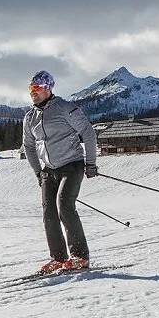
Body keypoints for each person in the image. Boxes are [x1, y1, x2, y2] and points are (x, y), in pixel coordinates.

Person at [21, 70, 99, 275]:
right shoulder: (29, 117)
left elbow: (88, 133)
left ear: (48, 88)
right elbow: (28, 146)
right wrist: (38, 172)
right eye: (31, 89)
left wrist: (90, 163)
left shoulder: (65, 108)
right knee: (48, 213)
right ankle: (58, 258)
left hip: (71, 165)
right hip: (48, 170)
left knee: (64, 205)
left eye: (37, 88)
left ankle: (80, 256)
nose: (33, 92)